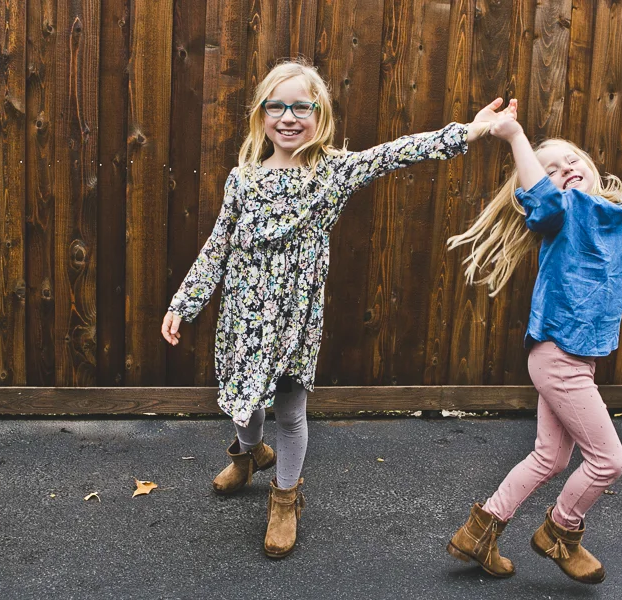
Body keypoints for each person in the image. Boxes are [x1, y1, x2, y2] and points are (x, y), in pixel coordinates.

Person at [161, 59, 508, 558]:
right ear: (261, 116)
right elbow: (218, 247)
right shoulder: (242, 180)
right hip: (244, 318)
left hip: (296, 320)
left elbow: (396, 153)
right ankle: (249, 453)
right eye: (275, 106)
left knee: (290, 409)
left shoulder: (332, 174)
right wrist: (184, 303)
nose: (288, 116)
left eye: (300, 105)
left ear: (319, 114)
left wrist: (470, 132)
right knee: (246, 405)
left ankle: (285, 499)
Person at [445, 99, 622, 583]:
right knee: (607, 461)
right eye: (551, 169)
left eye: (571, 161)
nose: (564, 171)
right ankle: (560, 532)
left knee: (551, 456)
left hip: (575, 359)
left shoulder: (618, 212)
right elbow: (540, 196)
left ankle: (478, 533)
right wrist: (516, 137)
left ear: (590, 164)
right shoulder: (559, 211)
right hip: (557, 355)